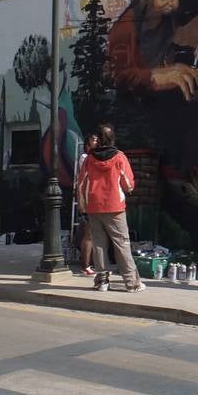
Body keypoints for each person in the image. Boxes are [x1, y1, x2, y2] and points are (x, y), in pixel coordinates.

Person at [76, 124, 144, 292]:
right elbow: (128, 184)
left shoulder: (89, 159)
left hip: (94, 206)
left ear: (98, 139)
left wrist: (83, 205)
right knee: (122, 243)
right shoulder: (119, 157)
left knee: (98, 243)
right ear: (113, 138)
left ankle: (102, 281)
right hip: (115, 206)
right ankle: (132, 283)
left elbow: (82, 182)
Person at [76, 134, 100, 276]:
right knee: (89, 233)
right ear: (88, 145)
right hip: (88, 199)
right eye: (93, 140)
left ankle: (92, 263)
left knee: (95, 234)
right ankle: (85, 265)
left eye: (98, 139)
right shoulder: (85, 158)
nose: (96, 142)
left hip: (96, 200)